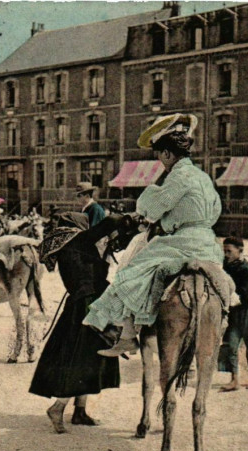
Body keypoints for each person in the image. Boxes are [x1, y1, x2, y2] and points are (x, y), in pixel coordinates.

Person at [83, 113, 223, 357]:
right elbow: (214, 210)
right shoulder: (202, 176)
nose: (160, 161)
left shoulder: (178, 175)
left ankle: (127, 335)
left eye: (159, 156)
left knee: (130, 271)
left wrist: (147, 204)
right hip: (209, 244)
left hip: (181, 241)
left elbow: (152, 208)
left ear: (167, 154)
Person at [29, 212, 121, 433]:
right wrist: (129, 217)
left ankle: (79, 411)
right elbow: (109, 224)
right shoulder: (77, 240)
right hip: (87, 305)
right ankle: (58, 407)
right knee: (82, 359)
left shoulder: (65, 246)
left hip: (79, 304)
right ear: (78, 227)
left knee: (87, 356)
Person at [217, 236, 248, 391]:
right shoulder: (225, 265)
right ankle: (234, 380)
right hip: (233, 313)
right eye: (224, 251)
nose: (226, 254)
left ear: (240, 251)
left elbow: (243, 295)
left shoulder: (247, 270)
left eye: (229, 251)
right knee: (230, 345)